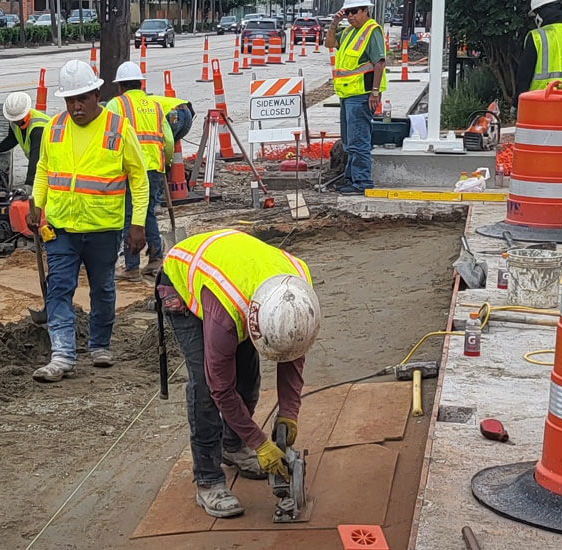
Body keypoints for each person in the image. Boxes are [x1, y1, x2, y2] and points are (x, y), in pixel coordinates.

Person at [157, 229, 321, 518]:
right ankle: (208, 480)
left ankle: (232, 446)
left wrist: (289, 413)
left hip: (233, 276)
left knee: (247, 376)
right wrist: (260, 442)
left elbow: (293, 351)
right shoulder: (227, 314)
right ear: (255, 323)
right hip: (183, 280)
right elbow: (220, 387)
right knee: (206, 385)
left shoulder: (297, 290)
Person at [28, 60, 149, 382]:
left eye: (82, 98)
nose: (76, 107)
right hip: (61, 228)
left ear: (97, 94)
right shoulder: (54, 127)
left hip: (103, 228)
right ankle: (62, 355)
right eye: (70, 100)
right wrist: (36, 204)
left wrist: (137, 224)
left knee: (103, 289)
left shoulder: (118, 128)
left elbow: (139, 179)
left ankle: (99, 344)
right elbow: (44, 170)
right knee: (58, 287)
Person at [106, 62, 174, 282]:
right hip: (154, 167)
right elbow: (168, 139)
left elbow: (107, 138)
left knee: (129, 214)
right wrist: (166, 163)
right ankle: (155, 258)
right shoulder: (155, 105)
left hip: (130, 169)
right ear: (141, 84)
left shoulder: (117, 104)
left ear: (120, 86)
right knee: (147, 212)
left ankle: (132, 266)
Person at [326, 0, 386, 195]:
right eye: (347, 12)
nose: (350, 16)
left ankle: (362, 182)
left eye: (354, 11)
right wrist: (335, 23)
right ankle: (351, 179)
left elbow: (379, 63)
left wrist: (375, 92)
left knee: (358, 140)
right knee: (349, 141)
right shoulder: (349, 32)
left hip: (361, 95)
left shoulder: (371, 30)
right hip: (348, 94)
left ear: (365, 10)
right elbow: (329, 43)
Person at [516, 0, 562, 94]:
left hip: (538, 100)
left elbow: (524, 77)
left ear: (541, 13)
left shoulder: (536, 37)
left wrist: (518, 100)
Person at [0, 92, 48, 187]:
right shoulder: (15, 122)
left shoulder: (38, 128)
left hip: (54, 164)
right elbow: (12, 139)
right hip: (43, 165)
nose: (14, 121)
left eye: (16, 119)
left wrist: (29, 184)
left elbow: (35, 159)